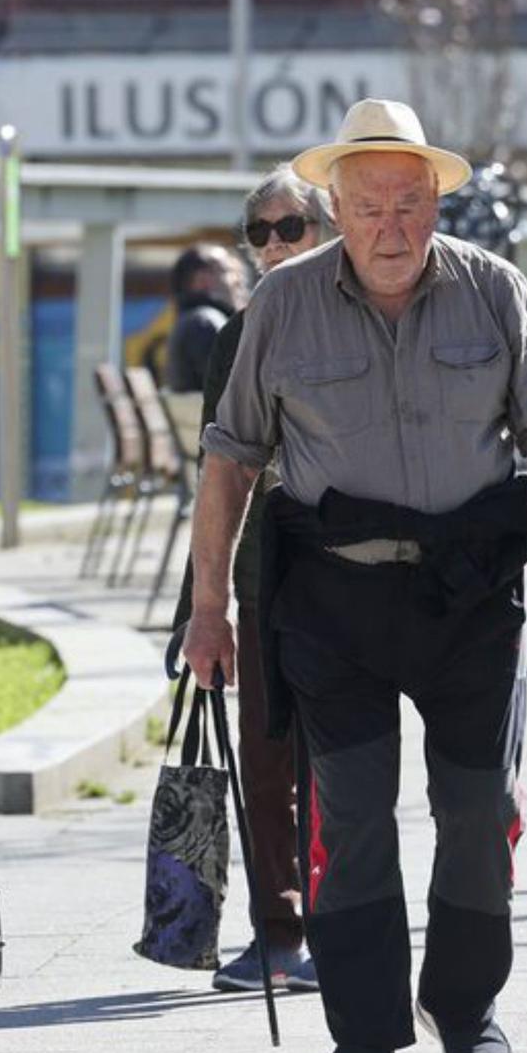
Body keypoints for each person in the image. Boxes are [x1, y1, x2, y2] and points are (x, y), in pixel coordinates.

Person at [183, 98, 527, 1053]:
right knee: (352, 817)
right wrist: (208, 608)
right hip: (335, 604)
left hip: (469, 599)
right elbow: (230, 463)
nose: (392, 226)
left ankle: (466, 1010)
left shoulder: (496, 293)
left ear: (437, 203)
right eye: (370, 206)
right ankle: (365, 1036)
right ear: (334, 207)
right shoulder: (280, 307)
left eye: (411, 203)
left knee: (476, 805)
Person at [173, 164, 330, 995]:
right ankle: (279, 926)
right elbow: (217, 475)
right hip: (263, 575)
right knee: (265, 756)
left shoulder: (355, 319)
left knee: (340, 760)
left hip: (350, 577)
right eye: (261, 232)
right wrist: (198, 608)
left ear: (326, 231)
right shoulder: (238, 336)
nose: (274, 244)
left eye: (291, 227)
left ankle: (345, 918)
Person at [165, 243, 245, 394]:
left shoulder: (195, 319)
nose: (238, 280)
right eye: (228, 271)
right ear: (202, 280)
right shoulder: (205, 323)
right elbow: (231, 388)